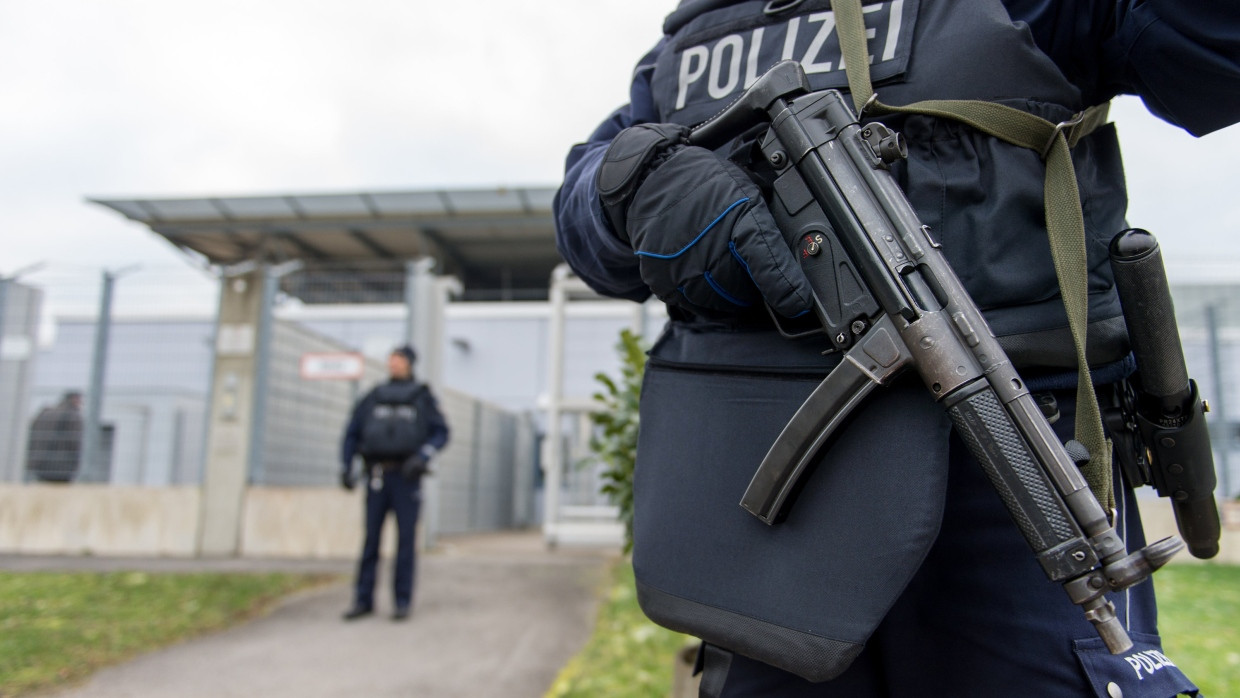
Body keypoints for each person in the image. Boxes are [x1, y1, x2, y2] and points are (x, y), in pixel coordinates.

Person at [553, 1, 1239, 696]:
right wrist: (637, 185)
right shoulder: (699, 39)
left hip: (1016, 470)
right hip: (770, 506)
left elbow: (1212, 55)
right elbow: (585, 202)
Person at [339, 344, 449, 621]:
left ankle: (402, 601)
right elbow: (352, 432)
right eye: (391, 360)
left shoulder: (422, 398)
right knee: (371, 541)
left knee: (405, 542)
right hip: (377, 475)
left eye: (399, 361)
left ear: (409, 363)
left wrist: (423, 456)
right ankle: (363, 600)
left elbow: (441, 432)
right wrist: (346, 465)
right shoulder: (374, 396)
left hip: (406, 478)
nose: (394, 365)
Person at [26, 390, 84, 483]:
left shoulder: (45, 413)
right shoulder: (72, 414)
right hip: (63, 465)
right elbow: (75, 440)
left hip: (40, 464)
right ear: (74, 400)